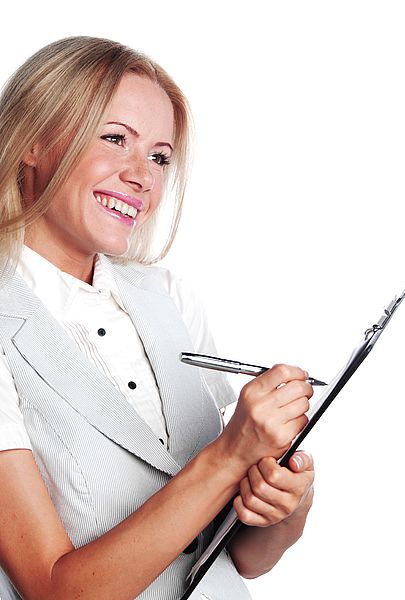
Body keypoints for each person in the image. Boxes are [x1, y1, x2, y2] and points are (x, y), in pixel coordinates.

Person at [0, 37, 315, 600]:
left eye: (159, 156)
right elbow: (53, 590)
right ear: (35, 139)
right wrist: (229, 456)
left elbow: (238, 557)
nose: (141, 175)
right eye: (115, 138)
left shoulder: (170, 298)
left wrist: (282, 508)